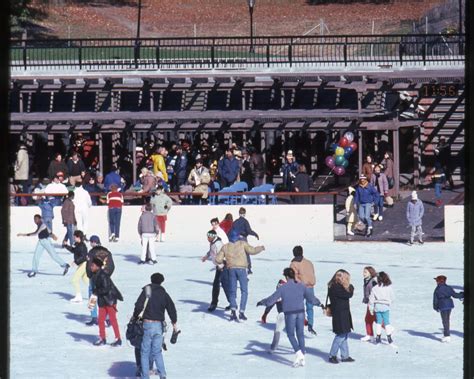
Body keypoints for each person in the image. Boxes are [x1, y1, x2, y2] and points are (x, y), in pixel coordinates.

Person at [257, 267, 321, 367]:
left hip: (290, 313)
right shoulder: (301, 286)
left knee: (291, 335)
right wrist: (319, 303)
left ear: (286, 276)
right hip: (301, 313)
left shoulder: (283, 287)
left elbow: (271, 300)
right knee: (300, 334)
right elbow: (311, 298)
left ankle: (299, 354)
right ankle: (303, 355)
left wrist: (262, 302)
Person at [132, 273, 179, 379]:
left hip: (147, 324)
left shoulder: (147, 290)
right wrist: (174, 322)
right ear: (161, 281)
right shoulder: (163, 293)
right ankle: (162, 374)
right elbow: (171, 308)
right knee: (157, 351)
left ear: (151, 280)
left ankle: (145, 376)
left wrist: (135, 316)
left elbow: (139, 305)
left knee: (144, 352)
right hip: (159, 326)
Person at [215, 236, 265, 321]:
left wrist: (224, 261)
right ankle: (241, 312)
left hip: (231, 269)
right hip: (242, 270)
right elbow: (252, 251)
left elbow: (218, 259)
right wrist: (261, 248)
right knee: (244, 291)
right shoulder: (242, 244)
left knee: (232, 291)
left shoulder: (225, 246)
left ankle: (233, 310)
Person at [89, 257, 123, 346]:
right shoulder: (94, 276)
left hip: (110, 300)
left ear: (98, 266)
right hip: (102, 300)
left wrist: (96, 292)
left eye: (92, 266)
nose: (91, 267)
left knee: (112, 320)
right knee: (100, 320)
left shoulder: (103, 275)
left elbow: (106, 289)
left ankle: (118, 339)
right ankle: (102, 338)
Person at [85, 236, 115, 326]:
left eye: (91, 242)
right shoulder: (107, 252)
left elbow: (89, 266)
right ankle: (108, 318)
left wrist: (90, 275)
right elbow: (111, 266)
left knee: (92, 296)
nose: (90, 244)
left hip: (94, 279)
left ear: (93, 242)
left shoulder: (92, 252)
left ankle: (94, 317)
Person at [327, 269, 355, 364]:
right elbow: (348, 294)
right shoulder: (336, 287)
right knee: (341, 335)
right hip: (340, 314)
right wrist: (351, 287)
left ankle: (345, 355)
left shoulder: (336, 286)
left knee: (344, 334)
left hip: (343, 313)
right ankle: (332, 355)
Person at [290, 245, 317, 334]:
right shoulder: (309, 262)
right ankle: (310, 324)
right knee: (310, 307)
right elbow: (312, 273)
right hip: (310, 286)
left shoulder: (294, 264)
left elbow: (293, 276)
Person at [201, 230, 228, 312]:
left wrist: (221, 266)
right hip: (219, 266)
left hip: (223, 266)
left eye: (208, 237)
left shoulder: (218, 244)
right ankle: (215, 302)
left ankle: (216, 303)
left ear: (213, 236)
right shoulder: (213, 242)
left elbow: (223, 254)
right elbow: (211, 250)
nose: (207, 238)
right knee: (218, 285)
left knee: (221, 285)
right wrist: (206, 256)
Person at [228, 207, 260, 274]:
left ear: (239, 214)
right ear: (244, 214)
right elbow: (249, 231)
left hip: (236, 239)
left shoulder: (235, 222)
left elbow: (231, 231)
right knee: (246, 253)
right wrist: (255, 234)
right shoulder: (245, 221)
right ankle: (249, 268)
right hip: (243, 239)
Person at [433, 275, 464, 342]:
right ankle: (447, 335)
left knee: (445, 320)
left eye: (436, 280)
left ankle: (447, 336)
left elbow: (435, 299)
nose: (436, 282)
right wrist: (463, 294)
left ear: (439, 281)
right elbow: (455, 295)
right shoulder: (449, 287)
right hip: (449, 305)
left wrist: (435, 307)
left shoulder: (437, 289)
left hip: (442, 305)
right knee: (447, 319)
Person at [259, 277, 286, 352]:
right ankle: (300, 349)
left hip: (283, 315)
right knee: (292, 334)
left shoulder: (279, 295)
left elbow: (270, 304)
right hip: (290, 315)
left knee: (277, 331)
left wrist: (265, 315)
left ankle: (273, 348)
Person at [369, 271, 395, 345]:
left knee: (378, 322)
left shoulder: (375, 288)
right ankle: (389, 337)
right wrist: (389, 302)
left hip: (377, 307)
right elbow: (393, 297)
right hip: (385, 307)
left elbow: (371, 299)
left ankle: (378, 336)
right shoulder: (388, 287)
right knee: (387, 322)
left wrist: (371, 308)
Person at [63, 230, 89, 303]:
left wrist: (75, 262)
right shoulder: (78, 244)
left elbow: (83, 257)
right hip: (82, 264)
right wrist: (66, 246)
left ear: (78, 237)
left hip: (83, 264)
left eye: (75, 237)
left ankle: (78, 297)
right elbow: (73, 250)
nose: (74, 238)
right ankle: (96, 292)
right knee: (85, 279)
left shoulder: (82, 246)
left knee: (74, 280)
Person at [360, 266, 378, 342]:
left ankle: (388, 328)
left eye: (365, 272)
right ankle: (370, 335)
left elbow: (375, 293)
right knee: (369, 319)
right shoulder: (367, 280)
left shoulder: (373, 282)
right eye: (363, 272)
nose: (363, 273)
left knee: (375, 319)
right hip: (370, 302)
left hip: (373, 303)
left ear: (370, 273)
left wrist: (372, 303)